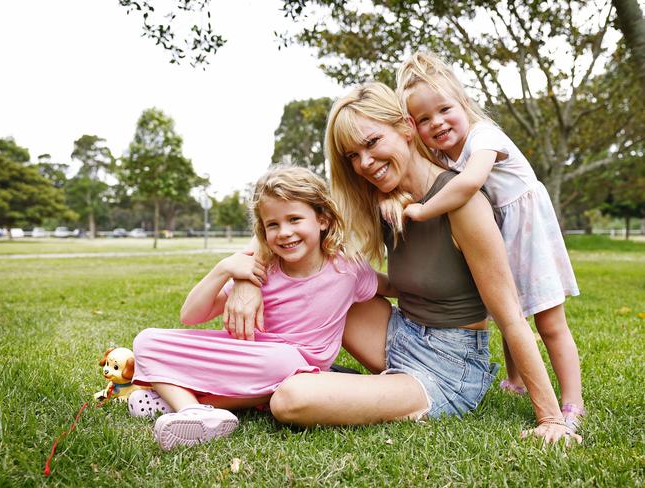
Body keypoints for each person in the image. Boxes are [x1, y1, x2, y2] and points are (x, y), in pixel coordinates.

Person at [225, 82, 580, 444]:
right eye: (352, 155)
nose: (364, 163)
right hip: (400, 333)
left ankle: (326, 385)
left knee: (291, 399)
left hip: (448, 366)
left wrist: (551, 419)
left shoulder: (462, 202)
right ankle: (309, 377)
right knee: (325, 293)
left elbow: (510, 316)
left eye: (372, 142)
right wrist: (246, 279)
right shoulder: (383, 196)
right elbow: (292, 214)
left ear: (407, 127)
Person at [386, 51, 583, 430]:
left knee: (548, 322)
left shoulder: (484, 137)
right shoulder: (445, 154)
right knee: (507, 309)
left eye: (444, 109)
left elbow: (470, 183)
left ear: (464, 103)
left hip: (527, 230)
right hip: (499, 230)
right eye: (424, 119)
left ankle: (572, 400)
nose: (437, 123)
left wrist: (423, 211)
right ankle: (516, 380)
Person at [130, 166, 387, 450]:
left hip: (296, 368)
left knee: (283, 360)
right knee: (146, 342)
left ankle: (184, 402)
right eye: (273, 224)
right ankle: (192, 411)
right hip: (250, 357)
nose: (284, 232)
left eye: (294, 219)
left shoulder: (346, 268)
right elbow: (190, 315)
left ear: (323, 219)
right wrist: (223, 268)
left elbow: (387, 286)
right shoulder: (262, 271)